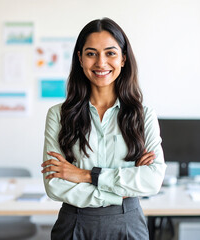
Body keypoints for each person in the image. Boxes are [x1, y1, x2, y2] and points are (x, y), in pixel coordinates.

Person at [41, 17, 166, 239]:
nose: (101, 63)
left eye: (110, 53)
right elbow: (55, 186)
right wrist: (124, 188)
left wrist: (85, 175)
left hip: (128, 224)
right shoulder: (58, 115)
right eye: (91, 53)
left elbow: (152, 180)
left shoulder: (143, 116)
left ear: (123, 58)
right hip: (74, 224)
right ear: (80, 59)